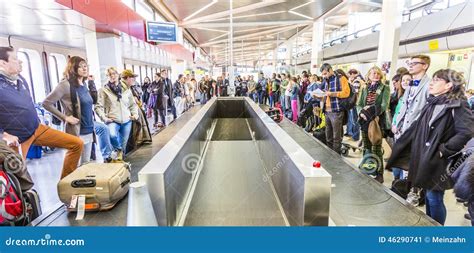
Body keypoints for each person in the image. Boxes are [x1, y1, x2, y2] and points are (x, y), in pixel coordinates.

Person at [386, 69, 474, 225]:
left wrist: (443, 150)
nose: (431, 83)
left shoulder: (458, 104)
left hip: (440, 159)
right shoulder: (433, 101)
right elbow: (420, 125)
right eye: (432, 79)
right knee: (427, 195)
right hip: (424, 155)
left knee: (434, 197)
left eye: (437, 80)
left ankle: (436, 229)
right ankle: (429, 225)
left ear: (449, 85)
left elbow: (466, 132)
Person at [0, 46, 83, 179]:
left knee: (76, 144)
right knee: (18, 176)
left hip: (36, 128)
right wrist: (3, 135)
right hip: (19, 137)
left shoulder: (20, 79)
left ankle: (65, 183)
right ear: (2, 63)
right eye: (15, 59)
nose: (20, 62)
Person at [392, 55, 432, 206]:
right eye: (410, 63)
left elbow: (428, 111)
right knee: (403, 163)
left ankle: (414, 195)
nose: (411, 65)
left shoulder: (429, 85)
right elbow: (404, 106)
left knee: (413, 165)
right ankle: (404, 190)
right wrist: (397, 124)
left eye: (415, 63)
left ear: (425, 66)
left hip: (417, 132)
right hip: (403, 131)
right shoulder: (411, 84)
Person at [43, 56, 96, 166]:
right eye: (80, 67)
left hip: (89, 129)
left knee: (86, 163)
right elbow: (46, 103)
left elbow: (92, 102)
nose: (84, 69)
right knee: (74, 165)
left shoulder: (84, 84)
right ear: (73, 68)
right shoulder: (65, 85)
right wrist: (65, 118)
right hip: (76, 131)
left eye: (85, 66)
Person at [95, 67, 138, 160]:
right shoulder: (103, 90)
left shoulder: (126, 89)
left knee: (123, 145)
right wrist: (104, 118)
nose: (112, 76)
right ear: (107, 77)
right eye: (110, 74)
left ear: (118, 75)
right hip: (112, 120)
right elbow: (98, 107)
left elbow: (132, 104)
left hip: (127, 121)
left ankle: (120, 163)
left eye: (114, 73)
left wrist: (135, 115)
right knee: (112, 135)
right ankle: (117, 152)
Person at [356, 66, 391, 183]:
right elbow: (359, 104)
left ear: (380, 75)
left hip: (377, 121)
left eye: (377, 73)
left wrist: (370, 112)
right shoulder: (364, 88)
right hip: (365, 120)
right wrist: (362, 113)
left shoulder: (385, 88)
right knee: (366, 147)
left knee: (376, 147)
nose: (375, 75)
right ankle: (368, 166)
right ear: (369, 75)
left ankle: (379, 173)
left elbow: (384, 105)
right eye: (373, 73)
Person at [319, 63, 351, 154]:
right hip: (327, 111)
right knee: (328, 135)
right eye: (323, 74)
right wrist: (319, 96)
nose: (324, 76)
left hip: (336, 111)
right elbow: (324, 93)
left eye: (325, 73)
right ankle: (330, 154)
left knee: (336, 137)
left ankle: (336, 157)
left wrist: (332, 94)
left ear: (330, 70)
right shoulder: (325, 80)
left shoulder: (341, 78)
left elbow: (346, 93)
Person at [123, 70, 152, 152]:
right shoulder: (123, 88)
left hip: (133, 113)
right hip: (127, 116)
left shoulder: (130, 87)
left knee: (131, 135)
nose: (134, 79)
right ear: (128, 77)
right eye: (133, 77)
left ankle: (129, 150)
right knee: (127, 137)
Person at [390, 72, 412, 180]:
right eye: (403, 80)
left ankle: (401, 185)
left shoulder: (412, 96)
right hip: (397, 132)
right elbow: (398, 113)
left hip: (405, 132)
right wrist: (394, 124)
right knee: (397, 159)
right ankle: (396, 182)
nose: (405, 82)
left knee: (403, 161)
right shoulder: (402, 96)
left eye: (408, 80)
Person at [346, 69, 363, 141]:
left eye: (349, 75)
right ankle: (354, 135)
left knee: (355, 120)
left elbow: (355, 93)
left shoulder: (356, 81)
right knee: (355, 120)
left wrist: (351, 103)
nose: (349, 77)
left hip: (355, 104)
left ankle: (355, 137)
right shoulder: (361, 80)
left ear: (352, 74)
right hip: (358, 103)